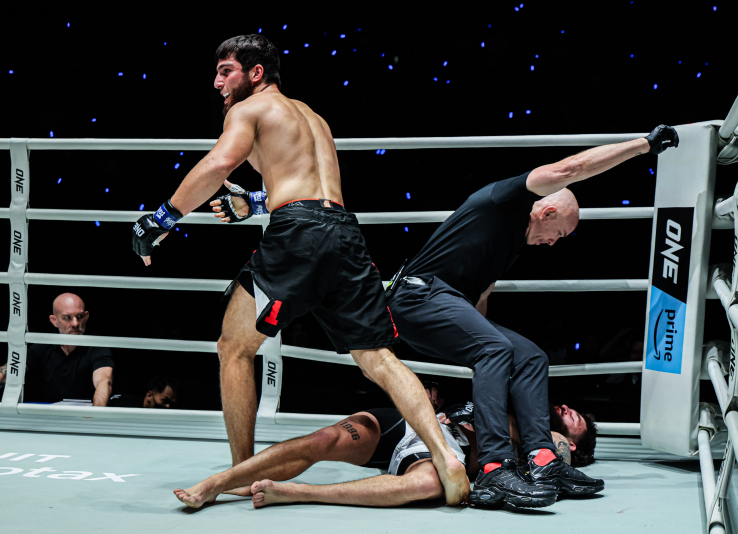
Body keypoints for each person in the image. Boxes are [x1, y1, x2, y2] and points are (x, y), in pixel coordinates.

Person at [130, 34, 468, 504]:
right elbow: (305, 183)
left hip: (298, 235)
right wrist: (255, 202)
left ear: (255, 73)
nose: (217, 83)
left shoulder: (249, 109)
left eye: (226, 71)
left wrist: (161, 219)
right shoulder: (313, 117)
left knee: (233, 346)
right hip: (344, 231)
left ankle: (240, 473)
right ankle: (445, 456)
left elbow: (219, 163)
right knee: (378, 358)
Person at [386, 125, 679, 507]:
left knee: (529, 356)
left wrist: (479, 347)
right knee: (495, 349)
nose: (553, 242)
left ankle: (542, 460)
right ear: (548, 211)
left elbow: (478, 306)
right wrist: (643, 146)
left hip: (443, 304)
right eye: (559, 233)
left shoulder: (509, 245)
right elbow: (570, 169)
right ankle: (495, 470)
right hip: (415, 297)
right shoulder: (505, 201)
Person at [174, 385, 587, 509]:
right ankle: (219, 482)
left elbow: (551, 458)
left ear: (573, 443)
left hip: (448, 450)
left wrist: (559, 445)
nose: (568, 410)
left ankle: (298, 492)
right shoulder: (527, 397)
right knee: (324, 439)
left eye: (577, 420)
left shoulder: (547, 445)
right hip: (416, 422)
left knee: (426, 484)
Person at [24, 293, 114, 406]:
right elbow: (12, 369)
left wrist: (95, 414)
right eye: (67, 318)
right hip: (52, 414)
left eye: (80, 316)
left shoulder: (97, 348)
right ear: (54, 320)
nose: (75, 323)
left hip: (86, 413)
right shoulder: (41, 348)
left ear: (86, 317)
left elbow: (104, 381)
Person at [108, 375, 179, 408]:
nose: (168, 406)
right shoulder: (121, 404)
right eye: (165, 401)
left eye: (171, 403)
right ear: (149, 395)